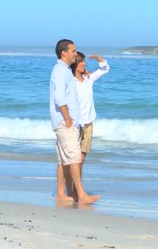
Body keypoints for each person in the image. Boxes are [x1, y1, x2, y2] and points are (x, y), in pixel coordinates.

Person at [49, 39, 100, 205]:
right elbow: (59, 98)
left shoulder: (64, 71)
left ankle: (61, 194)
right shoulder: (60, 71)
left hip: (67, 121)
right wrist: (68, 119)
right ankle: (81, 195)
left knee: (65, 160)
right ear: (64, 53)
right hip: (66, 122)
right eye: (73, 51)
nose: (76, 54)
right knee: (74, 158)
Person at [70, 52, 110, 178]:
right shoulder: (71, 82)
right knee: (74, 160)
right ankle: (73, 188)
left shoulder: (89, 79)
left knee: (81, 161)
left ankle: (77, 188)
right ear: (75, 65)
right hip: (75, 124)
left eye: (84, 61)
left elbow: (105, 69)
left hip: (88, 124)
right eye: (81, 61)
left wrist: (99, 58)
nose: (84, 63)